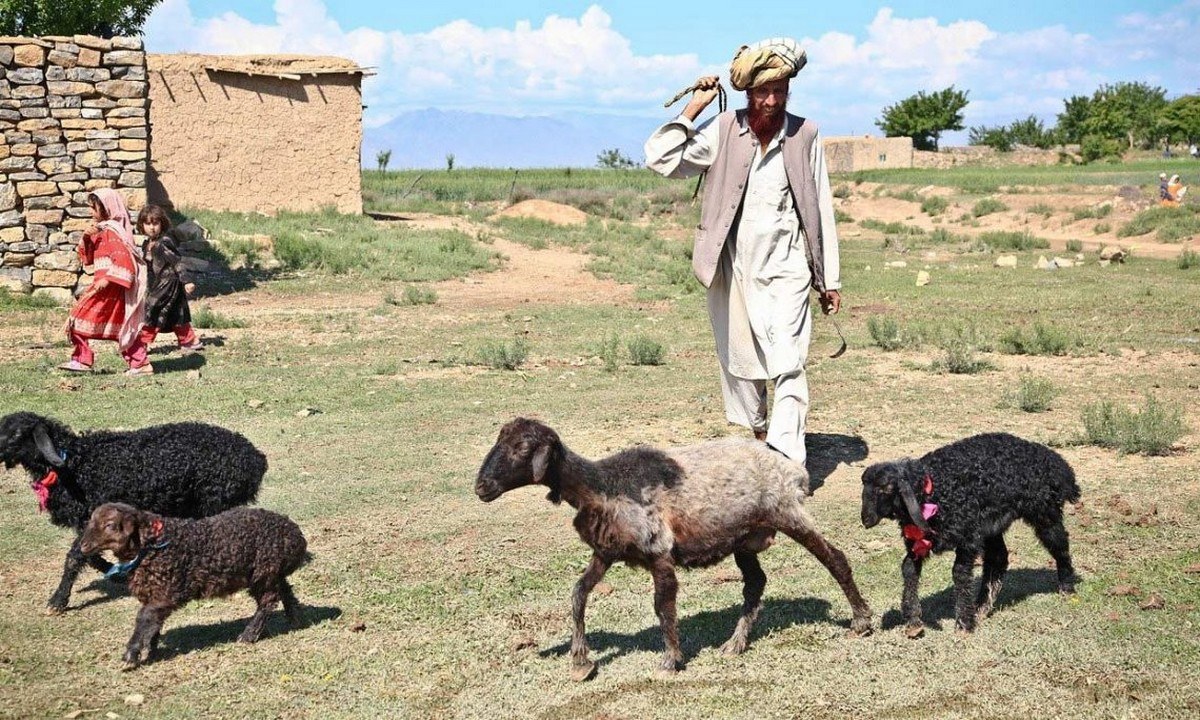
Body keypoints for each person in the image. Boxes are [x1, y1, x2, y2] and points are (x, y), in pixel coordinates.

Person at [644, 37, 840, 467]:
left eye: (780, 90)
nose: (771, 101)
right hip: (734, 270)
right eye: (762, 92)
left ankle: (787, 462)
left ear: (790, 90)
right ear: (747, 92)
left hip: (788, 269)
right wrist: (694, 108)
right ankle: (760, 432)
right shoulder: (723, 131)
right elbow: (659, 159)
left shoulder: (806, 134)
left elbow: (821, 207)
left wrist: (830, 279)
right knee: (744, 362)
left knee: (790, 361)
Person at [60, 189, 152, 376]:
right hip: (106, 288)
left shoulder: (112, 232)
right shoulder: (104, 231)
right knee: (120, 326)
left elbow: (124, 262)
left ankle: (83, 360)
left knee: (77, 319)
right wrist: (87, 236)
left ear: (106, 209)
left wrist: (107, 279)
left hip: (111, 288)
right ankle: (139, 364)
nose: (90, 212)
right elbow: (89, 258)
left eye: (94, 208)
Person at [135, 204, 203, 355]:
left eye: (155, 223)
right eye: (147, 224)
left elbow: (177, 261)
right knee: (176, 312)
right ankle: (190, 341)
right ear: (141, 225)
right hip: (158, 284)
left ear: (162, 224)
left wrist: (187, 280)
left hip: (169, 283)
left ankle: (142, 343)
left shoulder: (164, 242)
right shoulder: (147, 243)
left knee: (151, 310)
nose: (151, 228)